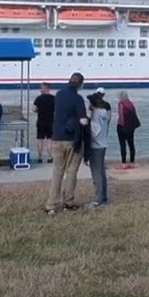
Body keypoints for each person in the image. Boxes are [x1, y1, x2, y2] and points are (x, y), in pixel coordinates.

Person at [45, 72, 88, 215]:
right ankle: (68, 202)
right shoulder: (78, 99)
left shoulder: (58, 95)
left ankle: (51, 205)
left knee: (57, 171)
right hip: (71, 140)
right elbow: (82, 120)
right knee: (71, 171)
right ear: (80, 84)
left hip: (56, 138)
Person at [86, 92, 111, 206]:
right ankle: (104, 197)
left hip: (95, 146)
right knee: (101, 172)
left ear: (92, 104)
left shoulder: (95, 115)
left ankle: (98, 198)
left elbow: (94, 131)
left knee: (96, 173)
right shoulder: (104, 113)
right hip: (103, 144)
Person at [115, 91, 140, 169]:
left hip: (122, 127)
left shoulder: (121, 104)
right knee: (131, 145)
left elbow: (121, 115)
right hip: (131, 127)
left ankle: (123, 164)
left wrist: (120, 125)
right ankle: (132, 163)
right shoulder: (131, 104)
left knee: (123, 145)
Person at [32, 83, 55, 164]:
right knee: (49, 140)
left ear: (46, 88)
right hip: (51, 122)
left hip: (41, 121)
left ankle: (40, 157)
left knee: (40, 140)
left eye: (41, 88)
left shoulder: (38, 98)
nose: (40, 89)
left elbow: (34, 109)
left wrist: (39, 110)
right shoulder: (53, 98)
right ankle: (50, 157)